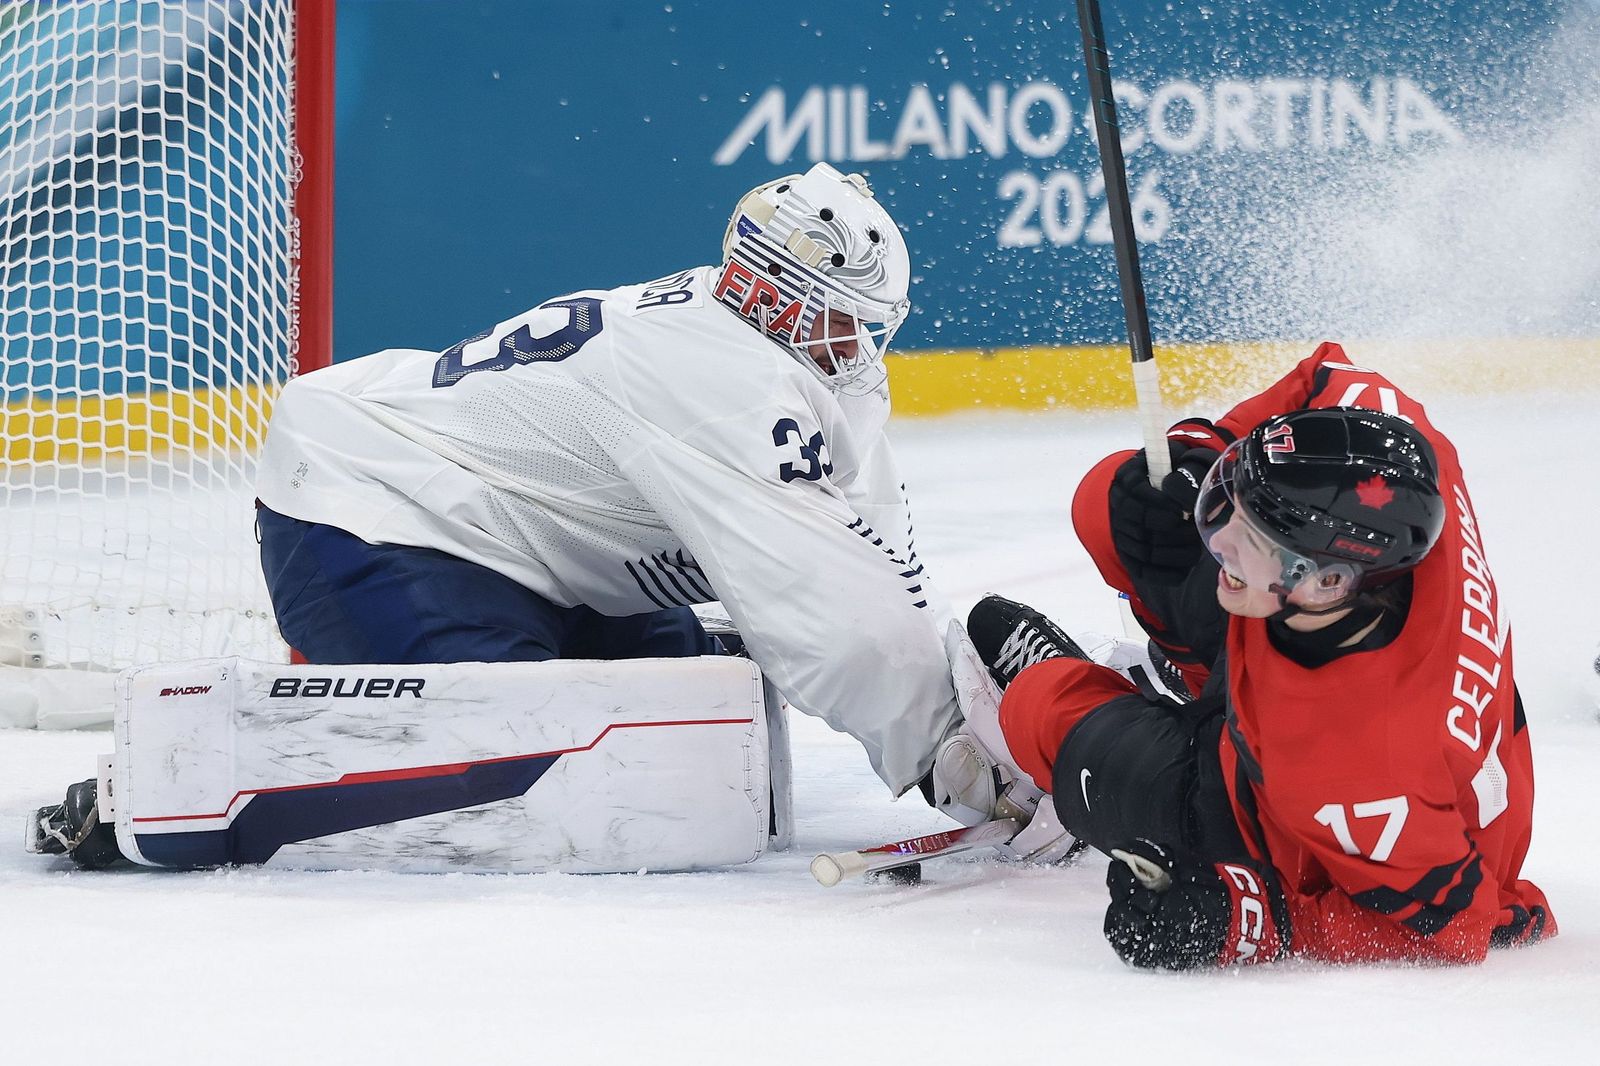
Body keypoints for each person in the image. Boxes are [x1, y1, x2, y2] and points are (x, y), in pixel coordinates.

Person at [950, 344, 1555, 967]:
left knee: (1037, 708)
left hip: (1288, 812)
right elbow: (1328, 375)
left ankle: (1051, 732)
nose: (1219, 533)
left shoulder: (1359, 770)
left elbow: (1453, 929)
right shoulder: (1390, 469)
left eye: (1250, 539)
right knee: (1118, 501)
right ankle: (1203, 683)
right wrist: (1202, 448)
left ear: (1325, 582)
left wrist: (1245, 918)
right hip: (1295, 677)